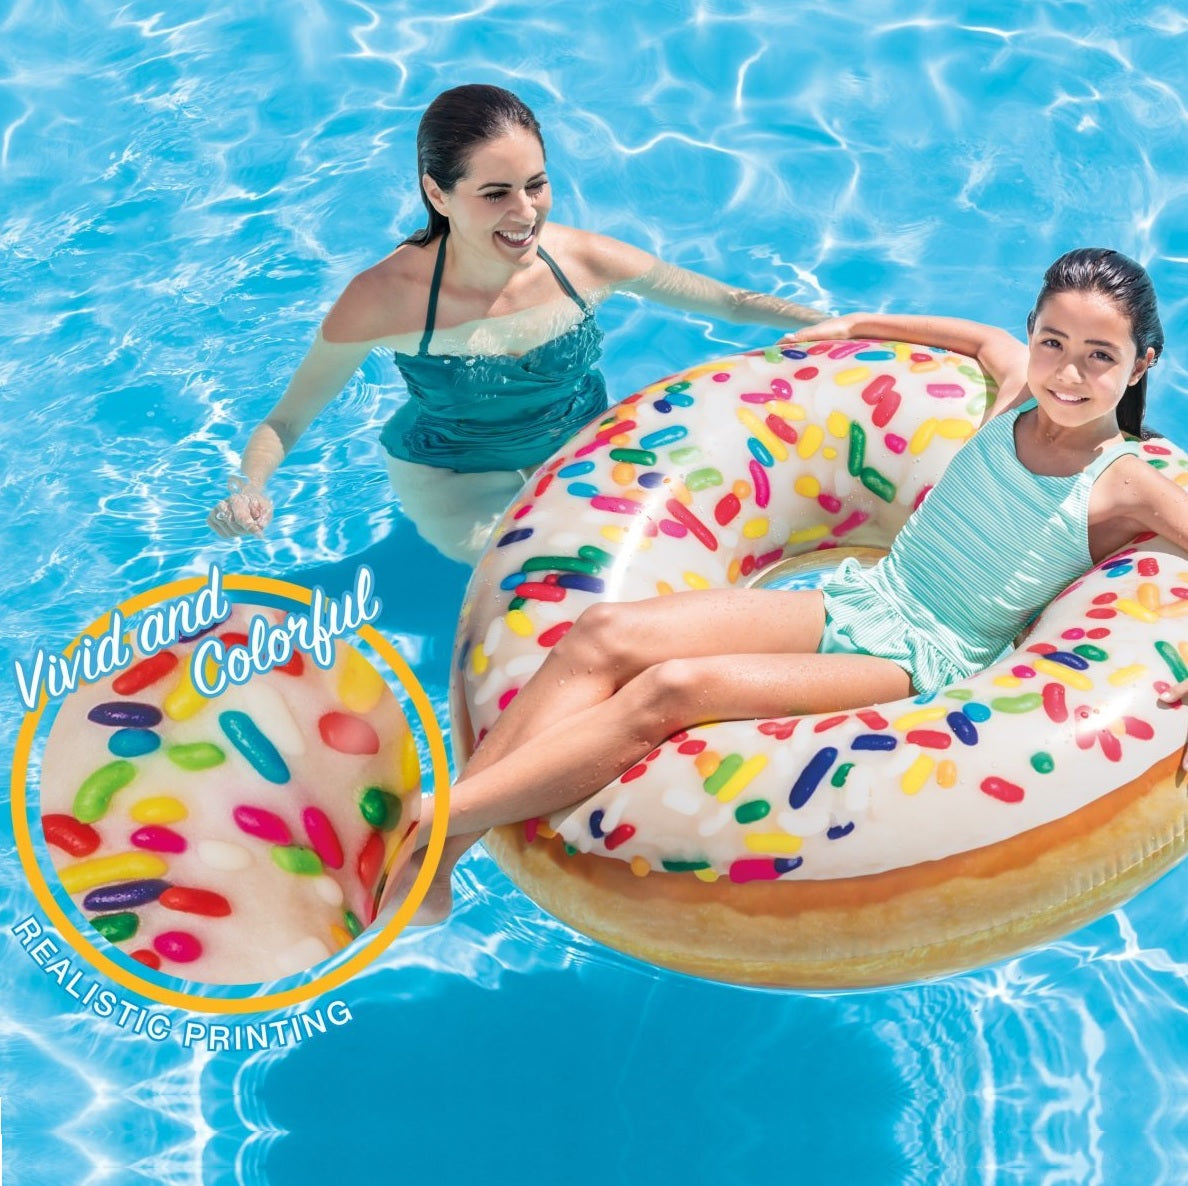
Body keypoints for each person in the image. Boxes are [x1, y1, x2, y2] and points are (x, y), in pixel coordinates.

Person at [395, 246, 1188, 923]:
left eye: (1100, 356)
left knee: (673, 689)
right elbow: (978, 340)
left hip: (925, 658)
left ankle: (426, 820)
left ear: (1141, 362)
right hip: (860, 595)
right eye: (1054, 342)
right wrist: (855, 328)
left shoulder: (1128, 484)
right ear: (1035, 336)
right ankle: (440, 860)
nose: (1070, 373)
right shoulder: (1018, 385)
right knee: (604, 634)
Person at [208, 84, 826, 562]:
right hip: (455, 478)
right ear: (438, 194)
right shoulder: (386, 299)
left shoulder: (584, 261)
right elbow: (286, 419)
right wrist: (248, 487)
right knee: (550, 572)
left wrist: (842, 326)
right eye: (496, 192)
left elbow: (732, 303)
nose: (525, 212)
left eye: (536, 184)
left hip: (582, 444)